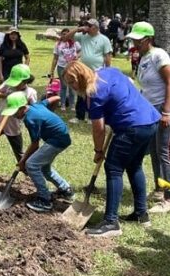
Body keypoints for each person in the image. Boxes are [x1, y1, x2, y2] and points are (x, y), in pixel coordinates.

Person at [64, 60, 160, 238]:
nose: (72, 86)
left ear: (81, 76)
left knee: (113, 168)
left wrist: (99, 151)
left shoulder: (94, 95)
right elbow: (126, 85)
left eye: (72, 82)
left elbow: (98, 129)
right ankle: (141, 213)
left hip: (132, 127)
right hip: (150, 121)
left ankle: (111, 222)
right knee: (134, 166)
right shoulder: (109, 72)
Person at [127, 22, 170, 214]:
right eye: (134, 39)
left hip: (166, 107)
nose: (135, 43)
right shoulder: (143, 57)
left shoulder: (159, 55)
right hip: (150, 110)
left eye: (138, 40)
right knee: (153, 150)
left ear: (149, 39)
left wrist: (166, 111)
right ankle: (159, 188)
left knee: (165, 152)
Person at [1, 91, 73, 213]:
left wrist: (23, 161)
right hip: (61, 137)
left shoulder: (30, 119)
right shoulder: (37, 105)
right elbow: (56, 97)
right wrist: (51, 113)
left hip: (56, 141)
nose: (13, 115)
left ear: (22, 107)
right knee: (44, 168)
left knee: (32, 165)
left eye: (14, 112)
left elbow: (35, 144)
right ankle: (65, 189)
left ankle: (45, 200)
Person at [0, 64, 39, 183]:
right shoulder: (9, 84)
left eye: (18, 82)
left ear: (25, 80)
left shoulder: (30, 93)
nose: (15, 84)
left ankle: (29, 173)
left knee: (19, 152)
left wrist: (22, 105)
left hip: (14, 125)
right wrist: (6, 95)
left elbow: (33, 109)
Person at [70, 19, 112, 124]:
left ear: (95, 27)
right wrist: (78, 29)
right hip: (83, 70)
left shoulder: (104, 39)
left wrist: (107, 70)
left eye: (89, 26)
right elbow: (68, 37)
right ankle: (79, 116)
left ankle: (91, 117)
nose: (87, 27)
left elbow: (107, 56)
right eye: (86, 25)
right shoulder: (83, 37)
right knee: (81, 93)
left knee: (93, 93)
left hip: (96, 71)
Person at [48, 28, 80, 112]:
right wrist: (52, 70)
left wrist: (77, 56)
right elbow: (55, 58)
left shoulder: (75, 43)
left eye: (67, 33)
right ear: (61, 35)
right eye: (63, 33)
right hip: (61, 67)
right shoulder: (58, 44)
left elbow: (81, 51)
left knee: (72, 86)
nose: (65, 35)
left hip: (72, 67)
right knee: (63, 86)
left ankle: (72, 104)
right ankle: (62, 104)